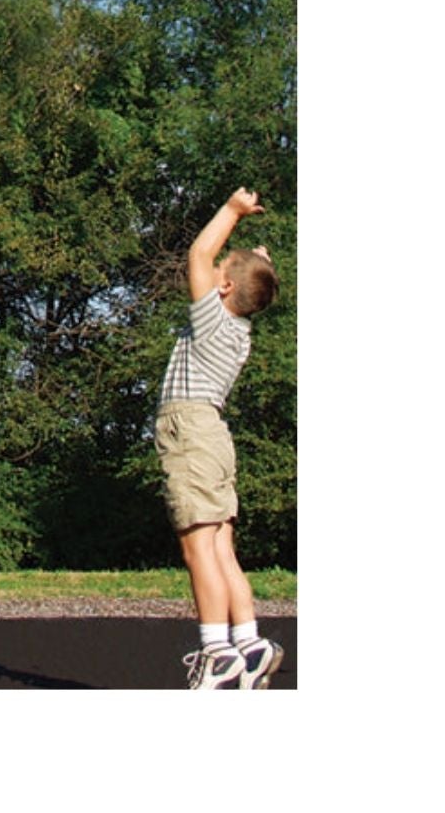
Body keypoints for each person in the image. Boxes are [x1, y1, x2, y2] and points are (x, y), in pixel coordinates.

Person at [154, 186, 287, 690]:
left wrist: (232, 213)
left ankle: (217, 651)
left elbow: (199, 254)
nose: (210, 276)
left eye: (221, 275)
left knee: (198, 550)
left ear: (226, 289)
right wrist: (255, 262)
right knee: (223, 547)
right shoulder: (239, 329)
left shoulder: (212, 319)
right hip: (215, 435)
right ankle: (249, 642)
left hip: (190, 432)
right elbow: (229, 271)